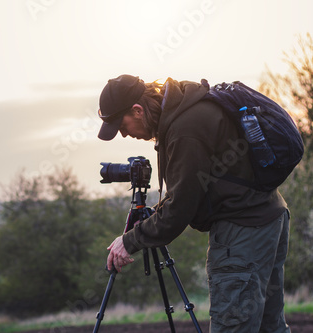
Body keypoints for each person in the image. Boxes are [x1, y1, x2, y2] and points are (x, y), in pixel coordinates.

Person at [97, 74, 290, 332]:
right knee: (270, 327)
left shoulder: (183, 129)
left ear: (137, 110)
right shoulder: (187, 105)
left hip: (244, 234)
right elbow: (193, 190)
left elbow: (179, 211)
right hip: (268, 219)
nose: (124, 134)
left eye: (122, 127)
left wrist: (129, 241)